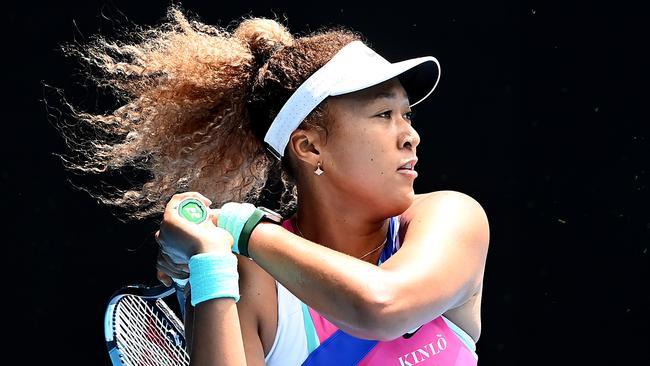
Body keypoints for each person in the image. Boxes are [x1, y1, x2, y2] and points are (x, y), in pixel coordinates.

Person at [56, 5, 490, 365]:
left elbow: (381, 305)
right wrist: (210, 262)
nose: (410, 134)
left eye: (407, 115)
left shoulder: (451, 218)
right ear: (310, 147)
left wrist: (238, 226)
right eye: (383, 115)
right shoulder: (253, 279)